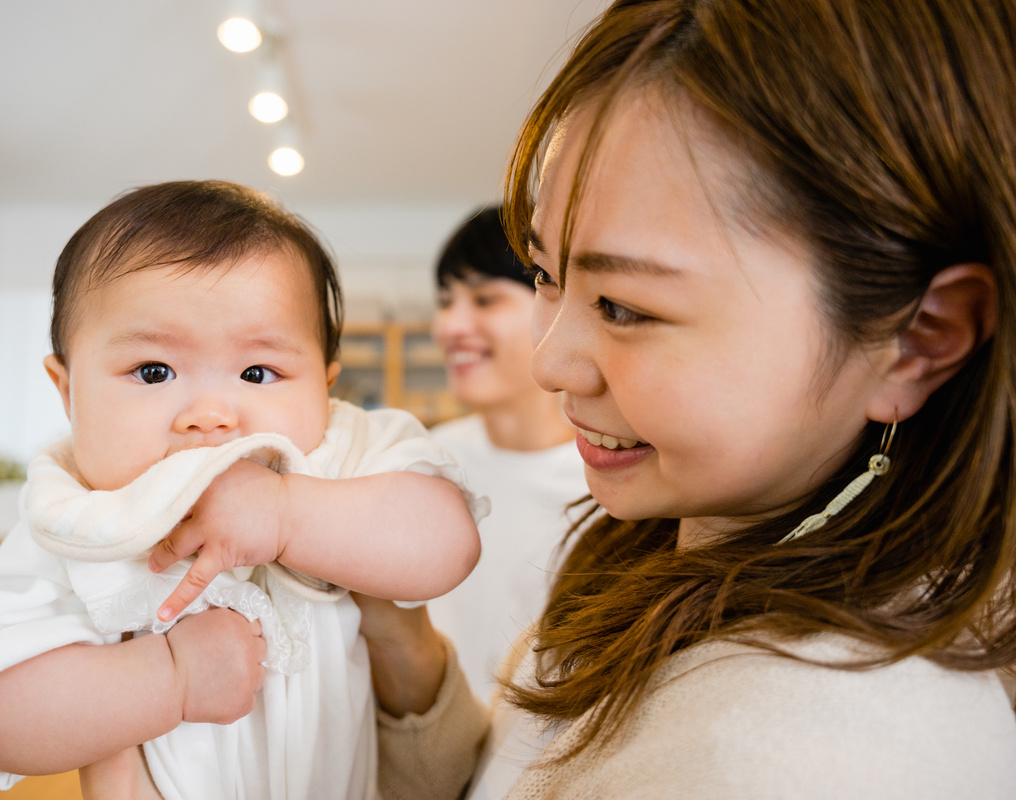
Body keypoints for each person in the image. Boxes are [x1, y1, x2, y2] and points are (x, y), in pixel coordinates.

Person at [365, 1, 1016, 797]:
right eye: (545, 275)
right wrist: (399, 644)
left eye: (626, 308)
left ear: (919, 339)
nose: (551, 363)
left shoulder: (815, 756)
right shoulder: (657, 542)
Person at [0, 180, 485, 800]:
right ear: (67, 392)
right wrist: (165, 678)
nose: (210, 414)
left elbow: (448, 542)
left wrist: (288, 513)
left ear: (325, 387)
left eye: (258, 372)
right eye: (153, 371)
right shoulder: (81, 521)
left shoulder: (345, 452)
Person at [425, 206, 586, 697]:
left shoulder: (608, 485)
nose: (450, 326)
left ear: (553, 301)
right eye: (445, 300)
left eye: (485, 299)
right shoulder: (426, 462)